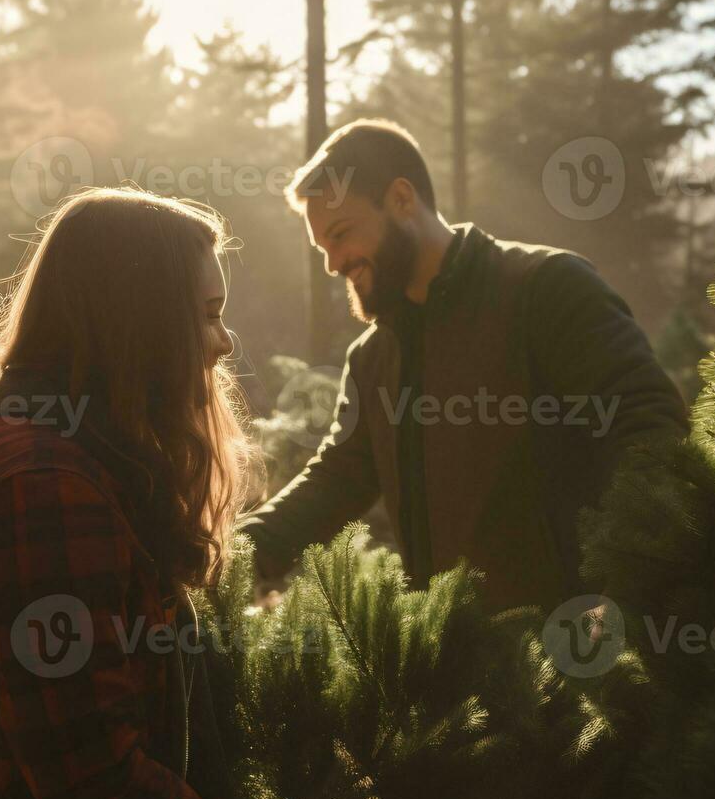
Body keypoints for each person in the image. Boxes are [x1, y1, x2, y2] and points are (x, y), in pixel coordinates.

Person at [0, 188, 339, 799]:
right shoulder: (43, 490)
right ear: (137, 323)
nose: (225, 341)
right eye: (206, 314)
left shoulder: (85, 455)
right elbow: (90, 780)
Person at [238, 120, 689, 610]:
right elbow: (335, 479)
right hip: (457, 669)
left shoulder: (548, 288)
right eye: (323, 247)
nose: (333, 264)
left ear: (402, 200)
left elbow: (650, 428)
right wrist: (234, 556)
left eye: (341, 234)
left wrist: (626, 590)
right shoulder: (373, 358)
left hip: (578, 651)